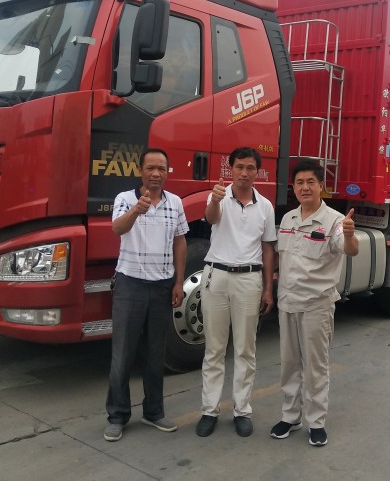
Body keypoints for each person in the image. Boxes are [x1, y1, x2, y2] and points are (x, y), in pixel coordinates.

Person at [270, 158, 358, 447]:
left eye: (311, 182)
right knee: (289, 365)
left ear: (321, 185)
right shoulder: (288, 219)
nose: (305, 187)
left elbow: (349, 249)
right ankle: (290, 416)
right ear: (293, 187)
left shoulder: (335, 221)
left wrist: (350, 235)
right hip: (287, 303)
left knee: (315, 367)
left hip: (316, 306)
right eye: (299, 182)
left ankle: (316, 421)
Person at [103, 148, 188, 442]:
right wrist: (136, 211)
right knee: (123, 354)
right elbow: (117, 228)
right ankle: (117, 416)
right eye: (151, 168)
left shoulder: (175, 202)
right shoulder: (125, 199)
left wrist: (179, 282)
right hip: (130, 285)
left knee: (156, 353)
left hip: (162, 286)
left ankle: (153, 412)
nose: (156, 174)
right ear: (140, 170)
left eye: (161, 169)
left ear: (167, 173)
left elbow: (180, 241)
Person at [196, 147, 276, 438]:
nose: (244, 173)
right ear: (231, 168)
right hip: (216, 276)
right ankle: (210, 410)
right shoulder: (218, 196)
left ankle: (242, 410)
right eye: (239, 167)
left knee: (245, 348)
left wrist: (268, 288)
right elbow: (211, 218)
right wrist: (216, 200)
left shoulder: (265, 206)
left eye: (250, 168)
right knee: (214, 348)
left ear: (258, 171)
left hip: (249, 279)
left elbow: (268, 248)